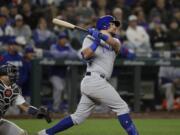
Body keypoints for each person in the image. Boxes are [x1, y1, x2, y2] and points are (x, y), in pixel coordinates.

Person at [38, 15, 138, 135]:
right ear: (105, 25)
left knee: (77, 117)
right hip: (94, 80)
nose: (116, 26)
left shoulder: (115, 41)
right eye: (113, 24)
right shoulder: (89, 38)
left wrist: (100, 36)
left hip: (98, 83)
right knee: (122, 107)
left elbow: (115, 45)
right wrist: (96, 41)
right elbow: (86, 55)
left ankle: (45, 133)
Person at [0, 63, 51, 135]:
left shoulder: (14, 89)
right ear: (2, 75)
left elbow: (23, 106)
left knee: (22, 134)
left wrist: (37, 112)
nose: (14, 75)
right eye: (11, 72)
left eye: (14, 72)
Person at [49, 32, 78, 112]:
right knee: (59, 89)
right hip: (54, 73)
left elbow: (75, 55)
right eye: (62, 38)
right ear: (58, 40)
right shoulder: (54, 46)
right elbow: (56, 55)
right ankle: (55, 108)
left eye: (65, 38)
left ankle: (62, 108)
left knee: (66, 91)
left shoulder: (68, 46)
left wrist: (67, 51)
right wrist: (66, 53)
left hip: (65, 75)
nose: (64, 40)